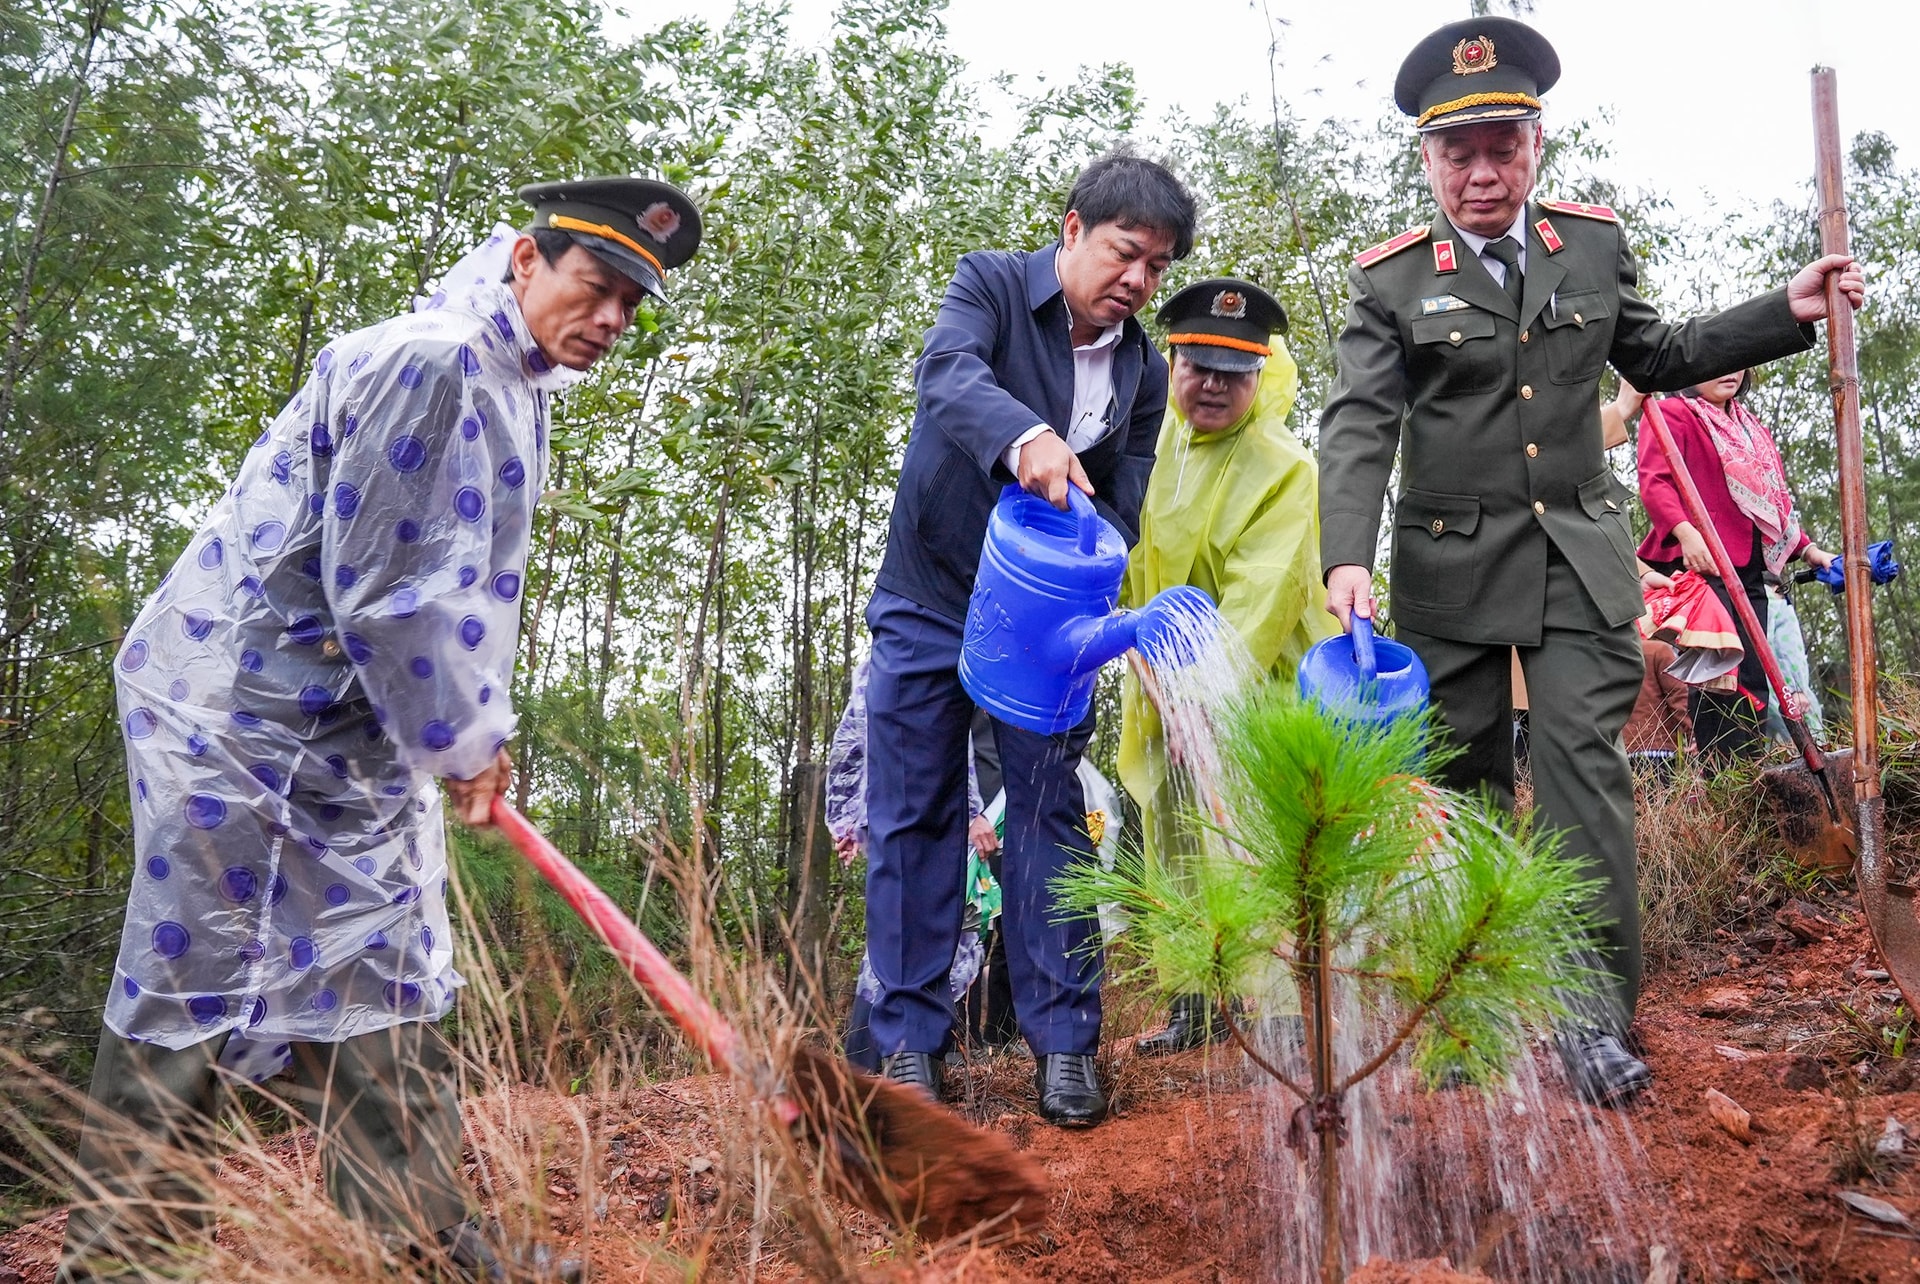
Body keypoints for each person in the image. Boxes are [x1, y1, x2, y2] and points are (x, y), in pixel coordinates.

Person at [59, 178, 700, 1283]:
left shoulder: (510, 375)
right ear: (524, 262)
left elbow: (449, 586)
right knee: (194, 979)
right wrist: (465, 741)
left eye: (631, 308)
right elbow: (395, 594)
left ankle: (413, 1240)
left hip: (350, 736)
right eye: (595, 288)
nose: (609, 321)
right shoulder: (436, 361)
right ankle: (119, 1263)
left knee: (389, 965)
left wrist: (451, 736)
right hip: (248, 727)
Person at [1316, 15, 1865, 1107]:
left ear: (1536, 147)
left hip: (1576, 558)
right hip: (1447, 574)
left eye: (1503, 147)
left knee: (1583, 777)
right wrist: (1345, 556)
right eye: (1458, 153)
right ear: (1427, 161)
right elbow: (1358, 426)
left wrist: (1783, 312)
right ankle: (1466, 1014)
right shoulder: (1388, 284)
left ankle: (1587, 1020)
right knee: (1462, 793)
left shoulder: (1592, 245)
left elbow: (1658, 355)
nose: (1483, 173)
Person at [862, 147, 1197, 1127]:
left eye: (1156, 267)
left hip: (1045, 622)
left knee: (1049, 816)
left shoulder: (1141, 366)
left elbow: (1127, 491)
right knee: (915, 812)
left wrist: (1108, 574)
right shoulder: (993, 287)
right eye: (1125, 253)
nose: (1136, 280)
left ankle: (1063, 1047)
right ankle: (909, 1044)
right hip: (932, 591)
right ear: (1071, 231)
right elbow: (946, 372)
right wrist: (1024, 436)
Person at [1117, 277, 1333, 1054]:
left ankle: (1278, 1016)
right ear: (1172, 363)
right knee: (1174, 833)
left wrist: (1202, 702)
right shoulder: (1153, 444)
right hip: (1158, 679)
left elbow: (1259, 605)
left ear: (1260, 375)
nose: (1212, 384)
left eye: (1234, 372)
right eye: (1198, 365)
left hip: (1253, 688)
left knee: (1250, 838)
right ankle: (1195, 1000)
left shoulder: (1283, 466)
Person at [1618, 373, 1837, 763]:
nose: (1729, 372)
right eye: (1714, 364)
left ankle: (1750, 774)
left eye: (1736, 364)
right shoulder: (1673, 415)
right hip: (1703, 569)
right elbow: (1655, 483)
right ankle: (1724, 782)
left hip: (1750, 571)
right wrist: (1686, 534)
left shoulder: (1751, 430)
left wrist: (1810, 551)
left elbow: (1773, 506)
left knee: (1755, 676)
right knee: (1720, 677)